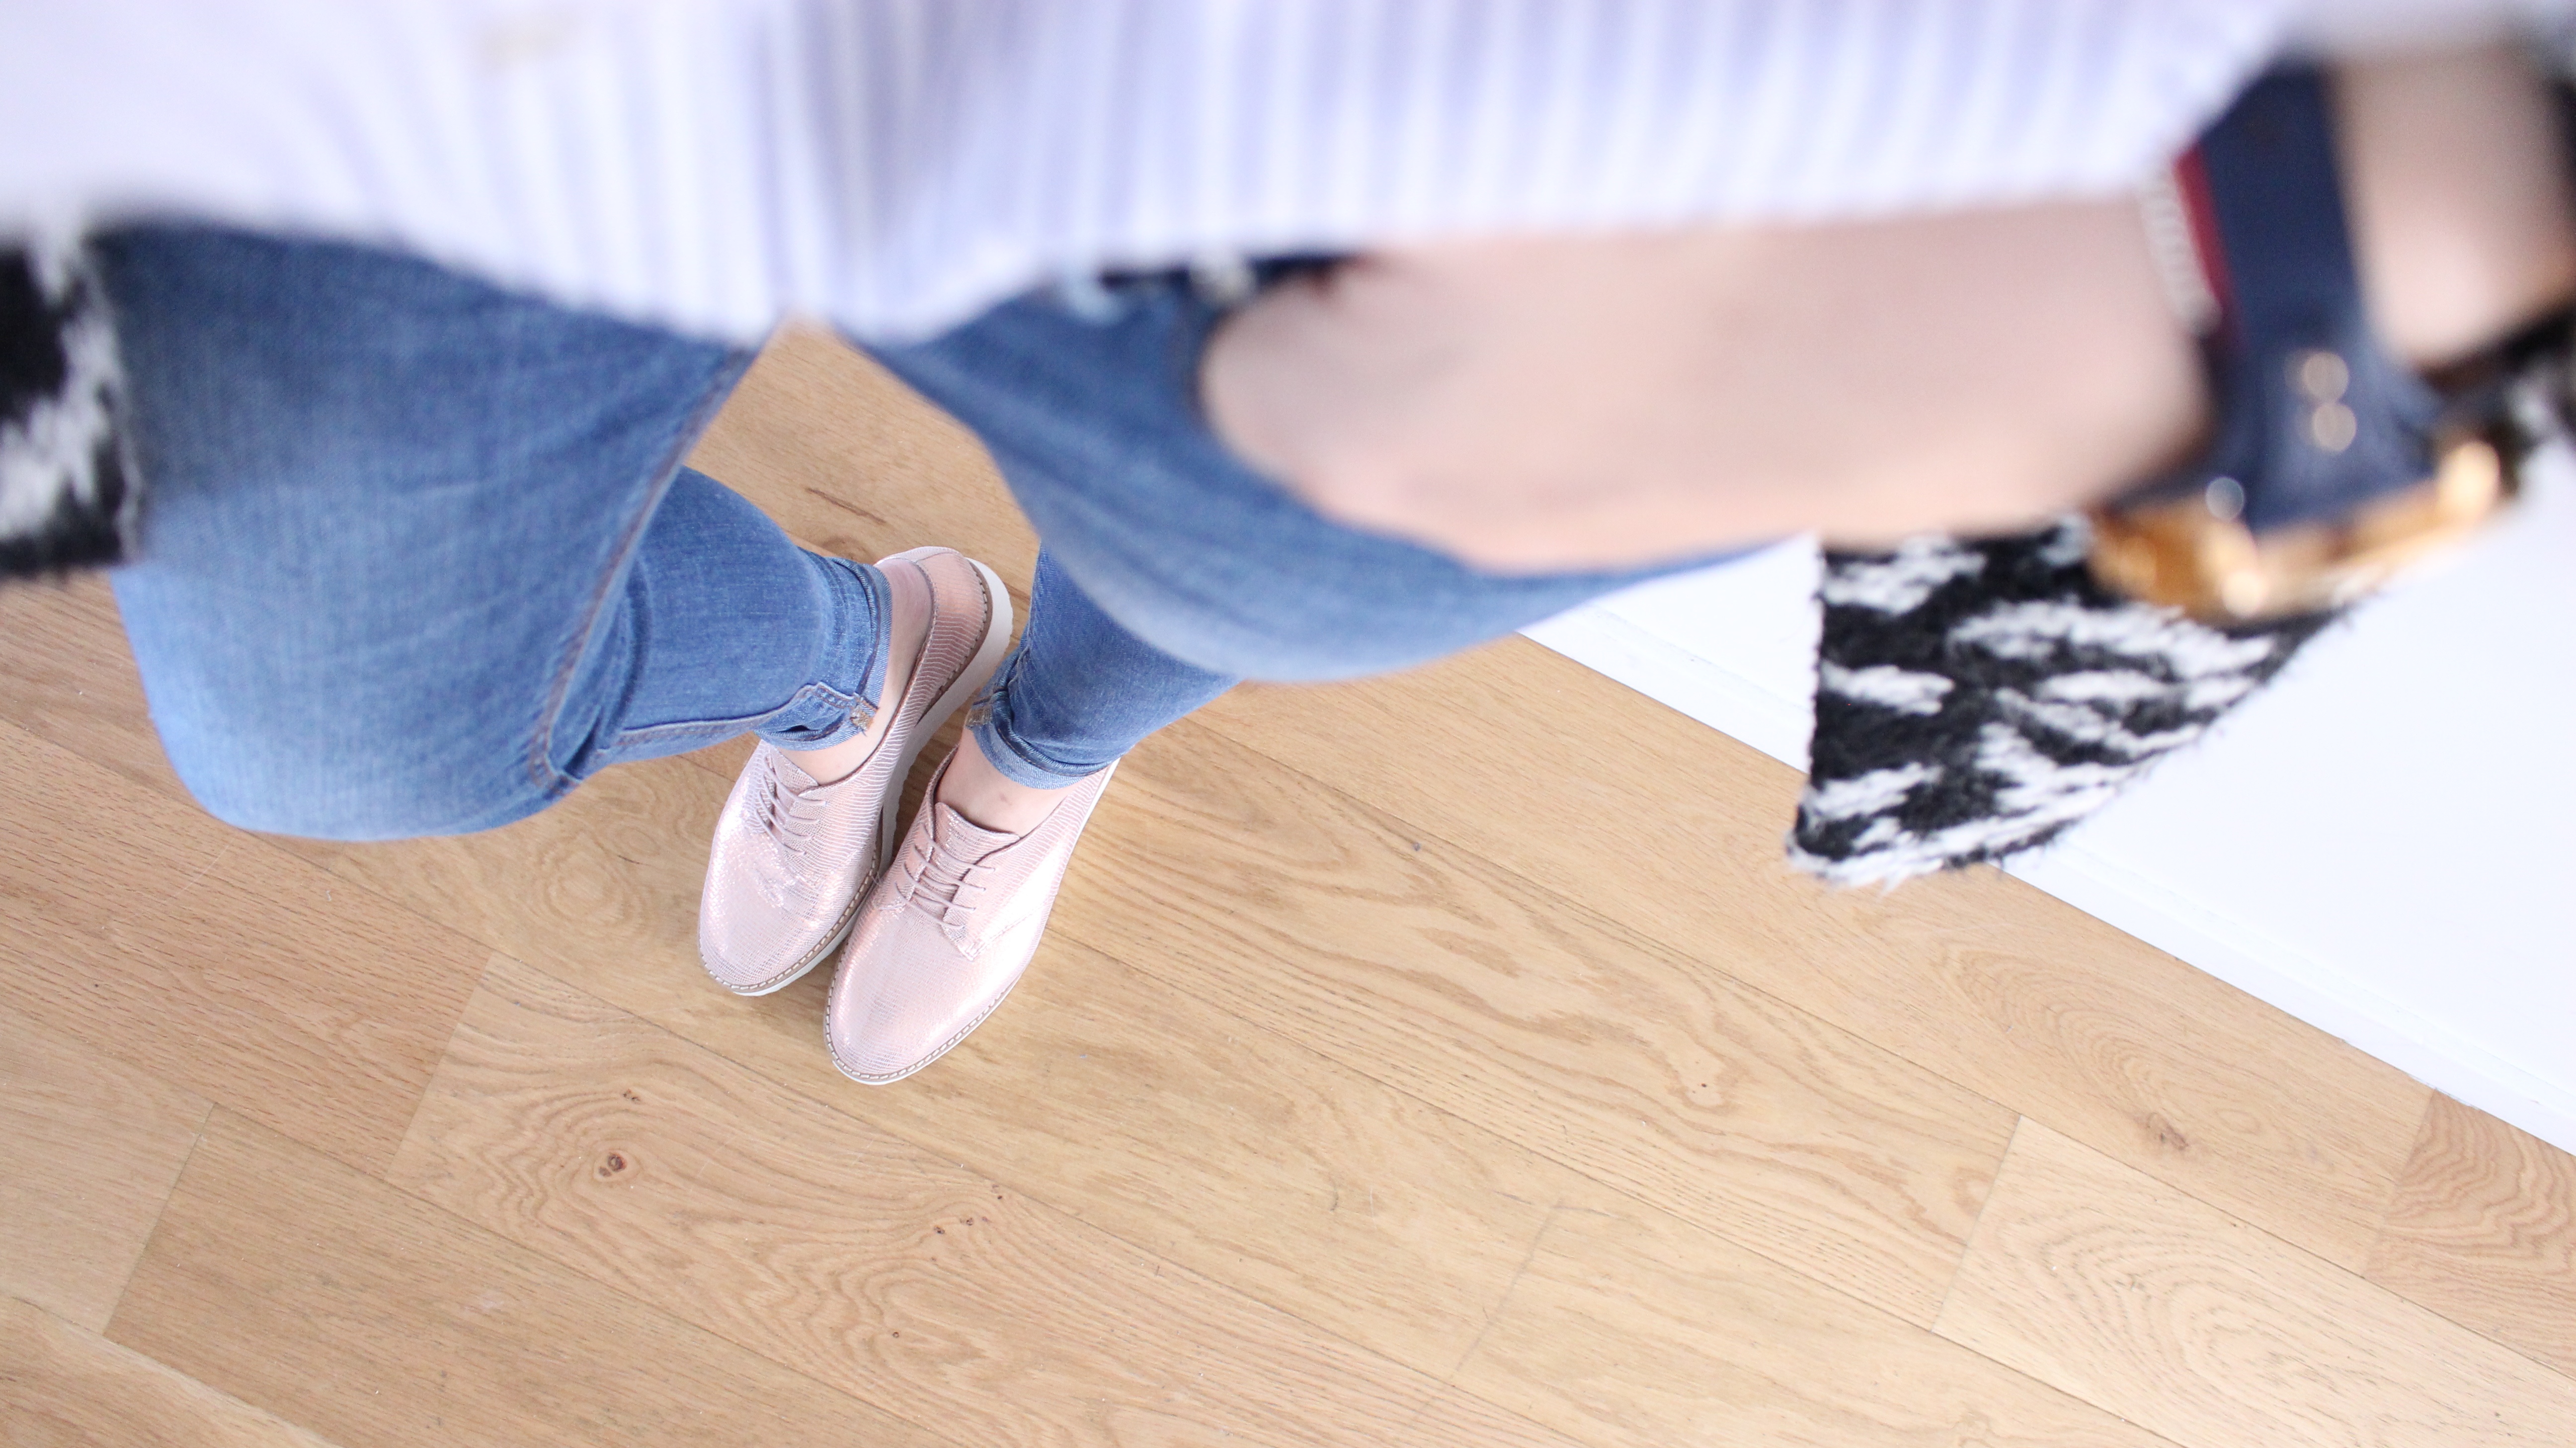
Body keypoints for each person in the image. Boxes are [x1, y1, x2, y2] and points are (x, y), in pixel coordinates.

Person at [24, 7, 2576, 1080]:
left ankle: (1026, 757)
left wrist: (2353, 243)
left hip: (1448, 108)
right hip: (332, 73)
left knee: (1270, 568)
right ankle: (851, 660)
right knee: (344, 733)